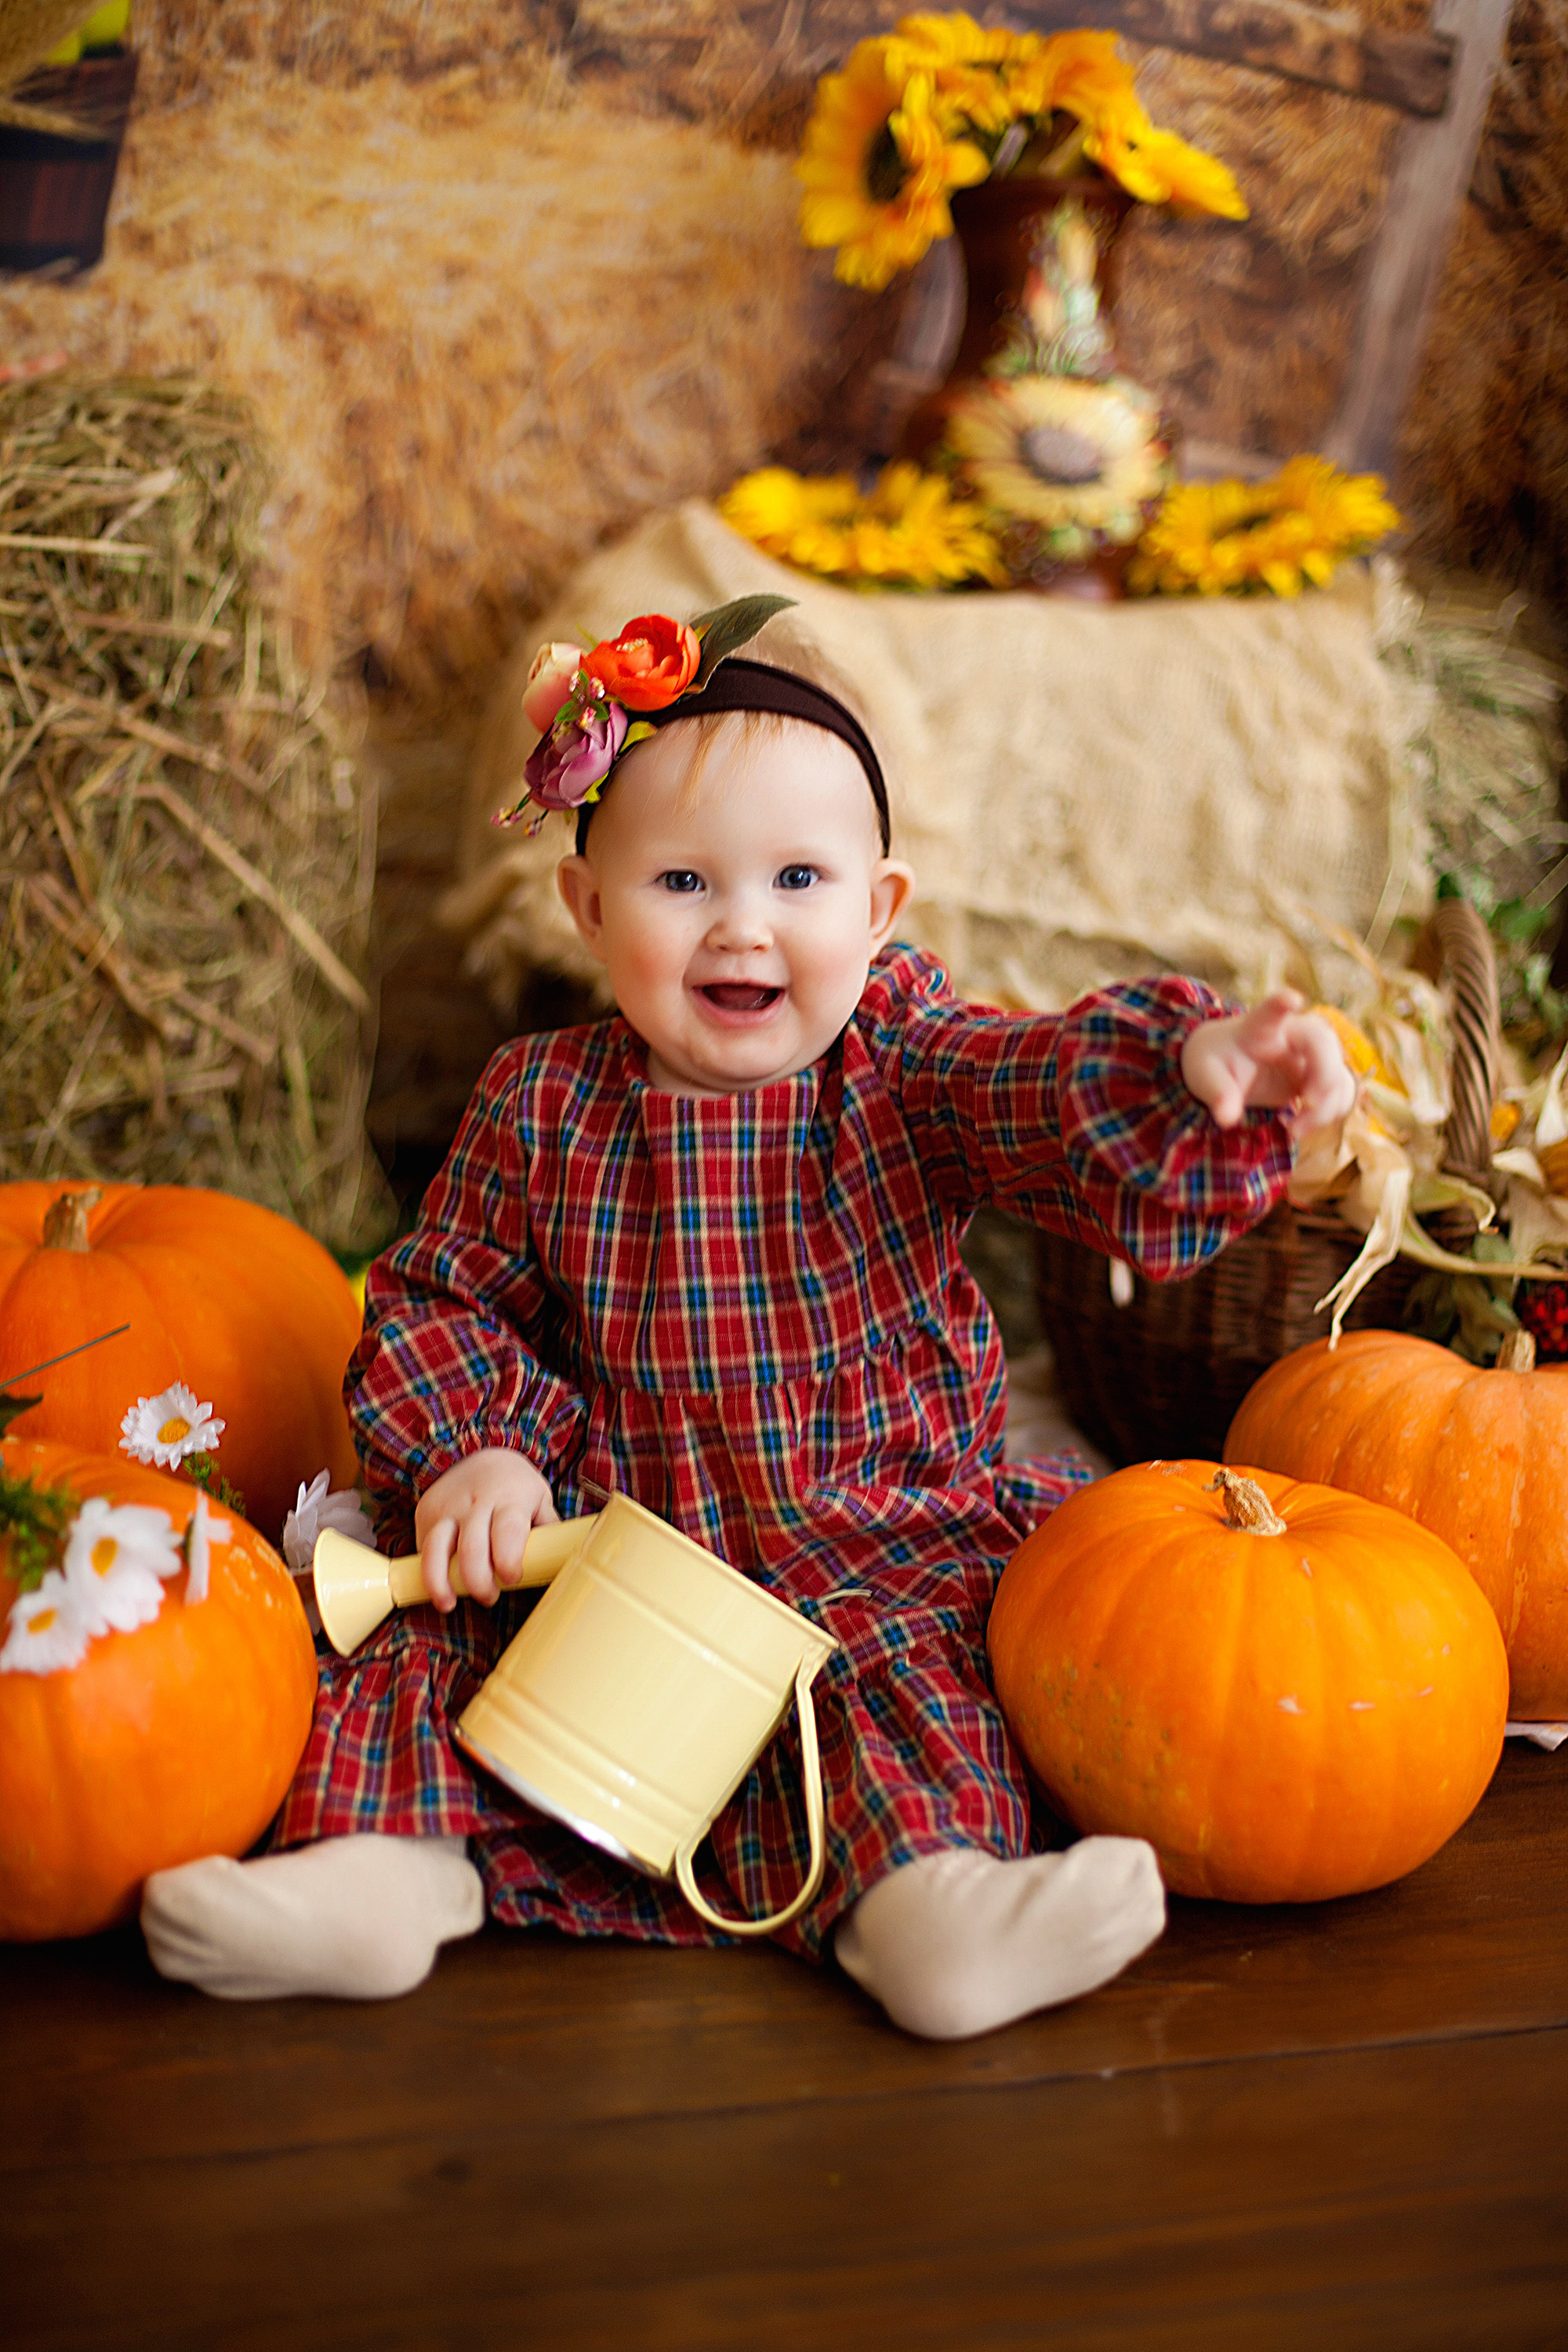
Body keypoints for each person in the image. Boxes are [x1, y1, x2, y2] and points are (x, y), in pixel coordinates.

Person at [142, 602, 1356, 2033]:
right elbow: (442, 1294)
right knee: (423, 1650)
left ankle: (927, 1914)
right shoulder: (541, 1105)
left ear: (878, 910)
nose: (743, 924)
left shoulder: (906, 1065)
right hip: (606, 1547)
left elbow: (1030, 1087)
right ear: (588, 908)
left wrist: (1186, 1062)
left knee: (907, 1692)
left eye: (798, 877)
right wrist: (477, 1450)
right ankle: (385, 1874)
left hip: (871, 1542)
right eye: (679, 880)